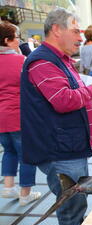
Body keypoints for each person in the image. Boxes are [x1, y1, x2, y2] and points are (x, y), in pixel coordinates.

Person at [20, 8, 92, 225]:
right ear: (57, 30)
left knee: (78, 201)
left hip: (71, 145)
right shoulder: (43, 62)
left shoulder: (62, 60)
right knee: (71, 207)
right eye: (76, 31)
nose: (81, 37)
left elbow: (65, 95)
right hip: (60, 151)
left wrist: (90, 101)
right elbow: (62, 100)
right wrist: (91, 90)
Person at [0, 21, 41, 206]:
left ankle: (8, 187)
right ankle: (25, 193)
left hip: (1, 117)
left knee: (9, 150)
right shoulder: (21, 60)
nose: (19, 41)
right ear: (7, 40)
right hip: (18, 115)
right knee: (27, 154)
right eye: (17, 38)